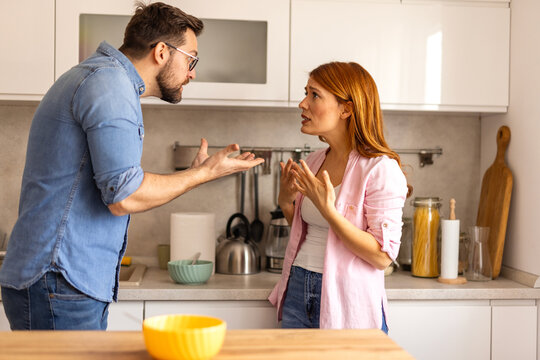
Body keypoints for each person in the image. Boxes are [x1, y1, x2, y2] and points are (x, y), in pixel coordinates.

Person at [0, 2, 263, 330]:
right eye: (191, 59)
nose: (193, 72)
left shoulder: (98, 77)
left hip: (56, 279)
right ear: (162, 52)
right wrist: (204, 173)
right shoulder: (109, 86)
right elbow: (125, 196)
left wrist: (196, 174)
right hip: (60, 279)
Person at [268, 62, 409, 332]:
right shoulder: (315, 160)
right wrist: (286, 201)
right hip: (298, 287)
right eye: (305, 93)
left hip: (347, 297)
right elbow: (308, 232)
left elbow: (382, 256)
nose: (302, 103)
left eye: (314, 95)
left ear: (346, 108)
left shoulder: (380, 169)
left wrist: (329, 212)